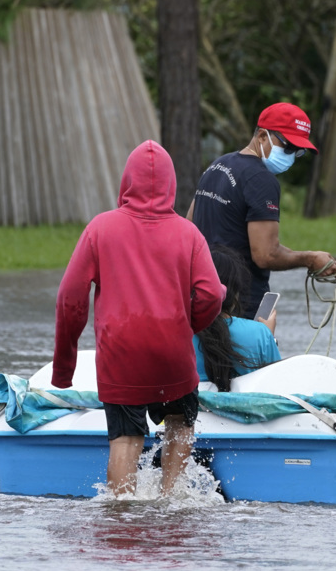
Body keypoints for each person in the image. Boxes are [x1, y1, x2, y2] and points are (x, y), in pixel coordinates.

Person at [52, 140, 225, 496]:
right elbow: (211, 294)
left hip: (121, 358)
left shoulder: (100, 229)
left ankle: (122, 515)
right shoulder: (188, 233)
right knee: (179, 427)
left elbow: (70, 299)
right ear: (171, 185)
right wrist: (182, 327)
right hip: (173, 357)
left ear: (126, 182)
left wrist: (63, 369)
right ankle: (171, 499)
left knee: (126, 440)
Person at [188, 102, 336, 319]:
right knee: (255, 351)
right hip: (242, 304)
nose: (291, 155)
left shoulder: (217, 166)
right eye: (288, 147)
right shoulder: (261, 179)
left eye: (299, 151)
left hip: (203, 298)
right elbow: (265, 255)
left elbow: (190, 224)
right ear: (261, 136)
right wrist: (310, 259)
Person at [193, 245, 282, 392]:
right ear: (235, 294)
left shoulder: (179, 333)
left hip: (193, 411)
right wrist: (269, 338)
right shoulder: (259, 333)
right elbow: (274, 388)